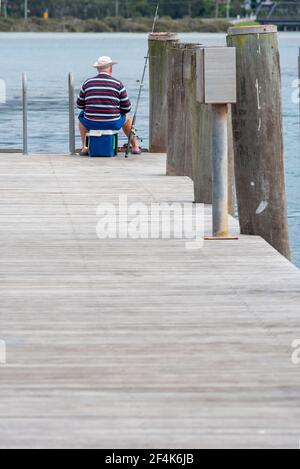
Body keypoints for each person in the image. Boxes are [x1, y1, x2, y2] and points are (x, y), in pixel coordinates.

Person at [77, 56, 141, 156]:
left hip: (91, 123)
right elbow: (127, 108)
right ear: (110, 68)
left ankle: (85, 148)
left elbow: (79, 104)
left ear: (97, 69)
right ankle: (135, 147)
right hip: (113, 123)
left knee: (81, 119)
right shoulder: (118, 84)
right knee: (127, 118)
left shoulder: (87, 83)